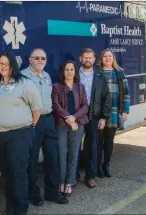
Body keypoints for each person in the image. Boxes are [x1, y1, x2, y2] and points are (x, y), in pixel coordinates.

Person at [0, 51, 43, 215]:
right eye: (0, 64)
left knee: (19, 174)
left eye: (6, 64)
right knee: (6, 175)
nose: (3, 67)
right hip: (1, 136)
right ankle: (10, 208)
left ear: (13, 65)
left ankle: (21, 209)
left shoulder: (25, 84)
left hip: (20, 135)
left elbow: (37, 108)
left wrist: (30, 127)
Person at [21, 48, 68, 206]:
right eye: (37, 58)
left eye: (43, 58)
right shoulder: (23, 77)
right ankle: (33, 194)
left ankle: (52, 193)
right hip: (32, 121)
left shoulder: (47, 76)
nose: (40, 60)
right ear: (30, 59)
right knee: (32, 159)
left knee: (52, 158)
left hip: (48, 119)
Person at [52, 60, 88, 197]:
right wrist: (68, 118)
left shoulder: (80, 87)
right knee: (61, 154)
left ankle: (70, 182)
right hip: (62, 125)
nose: (69, 72)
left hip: (77, 125)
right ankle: (61, 181)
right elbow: (56, 106)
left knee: (73, 154)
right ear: (63, 71)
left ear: (75, 71)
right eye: (66, 69)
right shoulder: (57, 87)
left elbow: (85, 106)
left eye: (72, 69)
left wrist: (74, 118)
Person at [77, 48, 111, 188]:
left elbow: (106, 98)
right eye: (85, 57)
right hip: (77, 114)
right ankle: (74, 175)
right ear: (80, 58)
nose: (87, 60)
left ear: (94, 59)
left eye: (90, 57)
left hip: (94, 114)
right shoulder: (74, 74)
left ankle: (90, 176)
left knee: (92, 146)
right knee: (75, 146)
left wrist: (104, 117)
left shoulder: (100, 75)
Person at [96, 48, 130, 178]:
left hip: (115, 111)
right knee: (98, 141)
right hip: (99, 113)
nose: (107, 58)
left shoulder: (119, 72)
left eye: (110, 56)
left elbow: (126, 93)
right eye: (105, 56)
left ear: (113, 58)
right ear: (102, 58)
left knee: (109, 141)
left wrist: (125, 111)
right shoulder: (97, 72)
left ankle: (106, 165)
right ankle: (98, 166)